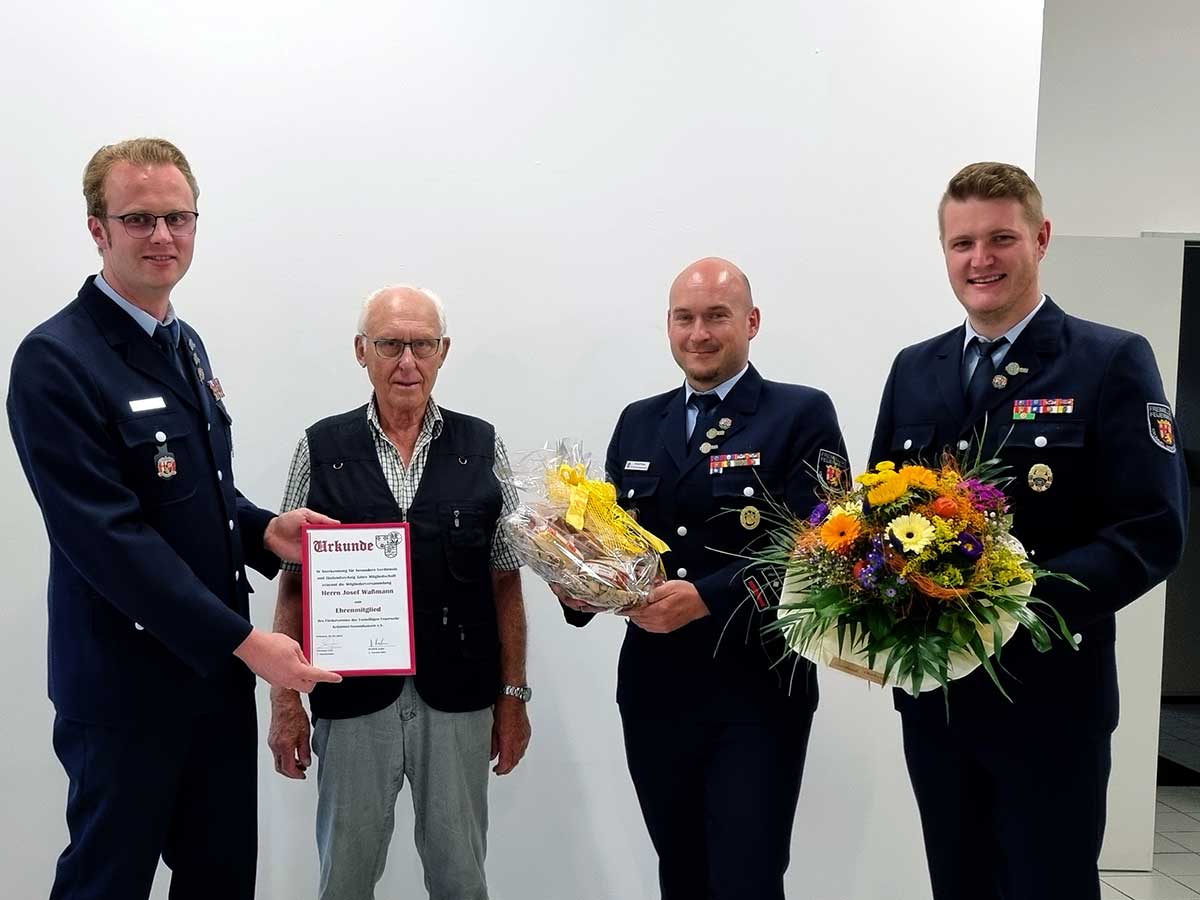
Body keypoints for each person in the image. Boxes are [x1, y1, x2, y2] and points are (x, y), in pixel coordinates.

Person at [6, 137, 341, 900]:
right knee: (106, 882)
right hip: (126, 692)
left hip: (215, 680)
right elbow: (109, 538)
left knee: (220, 880)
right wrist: (249, 642)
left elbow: (193, 493)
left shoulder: (183, 343)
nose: (163, 236)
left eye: (178, 218)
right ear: (99, 229)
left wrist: (262, 530)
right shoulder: (55, 360)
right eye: (140, 219)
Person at [868, 161, 1189, 899]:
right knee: (959, 883)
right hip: (937, 699)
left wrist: (1013, 607)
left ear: (1041, 239)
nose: (980, 259)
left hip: (1051, 698)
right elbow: (877, 517)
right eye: (961, 243)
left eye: (1001, 238)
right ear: (944, 252)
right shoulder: (914, 369)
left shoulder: (1110, 359)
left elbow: (1152, 529)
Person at [559, 257, 848, 900]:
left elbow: (820, 549)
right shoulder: (640, 420)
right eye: (684, 318)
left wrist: (708, 599)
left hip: (757, 691)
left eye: (717, 316)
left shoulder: (800, 414)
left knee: (746, 877)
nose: (699, 333)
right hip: (656, 690)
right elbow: (614, 541)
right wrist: (579, 582)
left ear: (751, 321)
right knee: (681, 874)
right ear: (668, 326)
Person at [267, 285, 531, 900]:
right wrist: (284, 702)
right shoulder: (321, 447)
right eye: (390, 344)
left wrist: (513, 695)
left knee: (461, 876)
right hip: (352, 699)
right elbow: (294, 583)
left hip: (459, 698)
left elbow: (506, 580)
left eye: (421, 345)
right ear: (362, 351)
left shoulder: (483, 445)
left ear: (444, 352)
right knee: (346, 878)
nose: (406, 361)